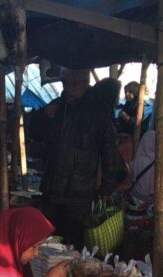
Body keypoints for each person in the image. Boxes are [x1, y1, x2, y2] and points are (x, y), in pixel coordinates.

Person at [28, 72, 126, 244]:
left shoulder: (98, 112)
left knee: (74, 243)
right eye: (66, 85)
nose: (69, 90)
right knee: (47, 242)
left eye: (74, 85)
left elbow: (110, 152)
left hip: (80, 192)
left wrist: (106, 188)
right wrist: (41, 116)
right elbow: (33, 135)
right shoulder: (57, 107)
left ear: (85, 84)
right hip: (52, 189)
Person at [125, 129, 156, 212]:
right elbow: (153, 190)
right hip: (147, 204)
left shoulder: (135, 159)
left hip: (133, 199)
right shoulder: (155, 163)